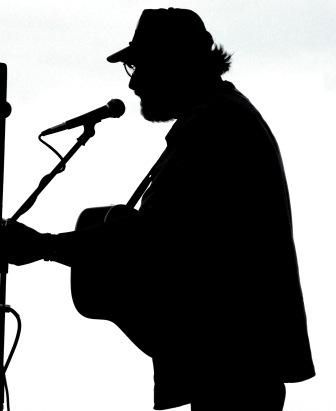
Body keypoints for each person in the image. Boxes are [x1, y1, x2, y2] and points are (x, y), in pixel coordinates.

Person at [3, 8, 315, 411]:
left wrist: (43, 245)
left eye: (140, 64)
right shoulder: (219, 117)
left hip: (233, 360)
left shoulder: (214, 127)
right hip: (235, 360)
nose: (133, 83)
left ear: (174, 62)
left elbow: (151, 237)